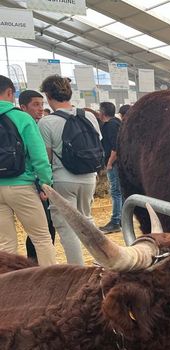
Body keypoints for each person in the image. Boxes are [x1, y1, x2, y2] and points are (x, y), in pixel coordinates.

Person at [38, 75, 102, 265]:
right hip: (89, 177)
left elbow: (46, 157)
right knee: (87, 220)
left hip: (63, 178)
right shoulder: (88, 115)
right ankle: (101, 263)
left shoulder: (47, 122)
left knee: (67, 227)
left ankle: (78, 270)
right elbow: (97, 143)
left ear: (49, 95)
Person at [0, 75, 56, 266]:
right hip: (21, 185)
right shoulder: (21, 117)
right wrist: (45, 183)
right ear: (9, 92)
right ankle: (50, 286)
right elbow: (39, 156)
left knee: (5, 244)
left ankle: (6, 287)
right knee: (41, 238)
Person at [18, 89, 56, 262]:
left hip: (8, 184)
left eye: (42, 104)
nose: (40, 109)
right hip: (28, 184)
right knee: (43, 232)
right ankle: (39, 267)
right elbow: (40, 159)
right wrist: (45, 184)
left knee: (7, 240)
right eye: (36, 104)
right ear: (23, 106)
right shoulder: (28, 124)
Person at [98, 102, 122, 233]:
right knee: (119, 192)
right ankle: (121, 220)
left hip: (114, 163)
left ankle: (115, 221)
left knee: (116, 192)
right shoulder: (117, 123)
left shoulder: (110, 126)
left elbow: (115, 147)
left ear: (102, 113)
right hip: (118, 163)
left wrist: (109, 163)